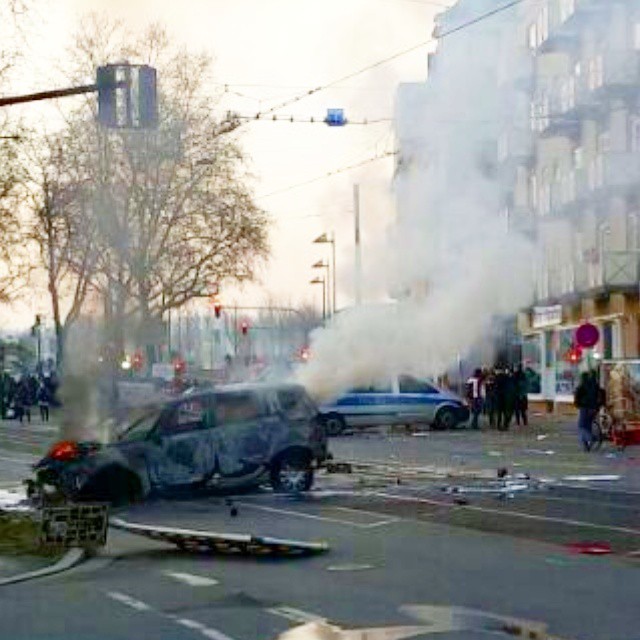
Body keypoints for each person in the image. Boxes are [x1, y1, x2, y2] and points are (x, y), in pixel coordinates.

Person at [574, 370, 601, 451]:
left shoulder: (582, 386)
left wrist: (577, 404)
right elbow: (600, 395)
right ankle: (587, 445)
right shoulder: (596, 385)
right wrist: (597, 406)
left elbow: (577, 396)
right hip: (593, 408)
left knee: (581, 426)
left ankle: (591, 438)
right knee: (588, 425)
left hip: (585, 408)